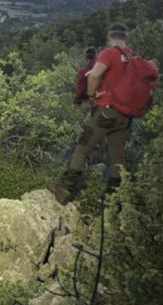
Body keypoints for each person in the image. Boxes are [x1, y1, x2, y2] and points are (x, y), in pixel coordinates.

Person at [47, 25, 133, 205]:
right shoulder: (133, 57)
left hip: (105, 112)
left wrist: (92, 95)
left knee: (82, 147)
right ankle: (115, 199)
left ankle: (64, 190)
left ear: (110, 38)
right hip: (125, 115)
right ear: (126, 38)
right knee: (117, 156)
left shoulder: (109, 53)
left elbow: (93, 76)